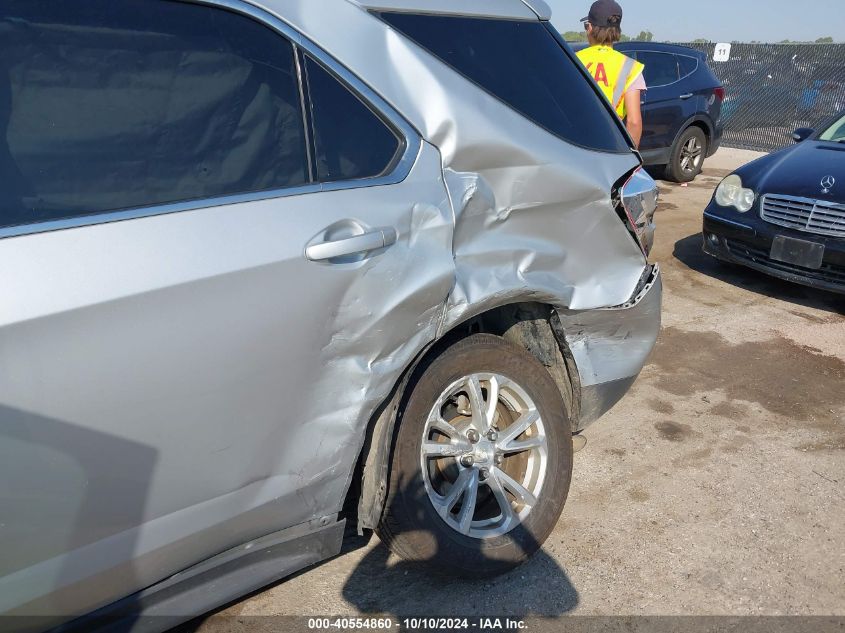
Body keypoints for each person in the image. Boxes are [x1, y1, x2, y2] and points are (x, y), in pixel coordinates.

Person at [576, 0, 646, 148]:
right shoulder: (630, 67)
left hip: (575, 142)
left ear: (590, 28)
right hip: (609, 145)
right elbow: (634, 122)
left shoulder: (573, 59)